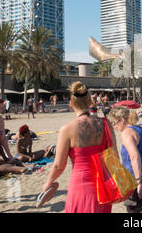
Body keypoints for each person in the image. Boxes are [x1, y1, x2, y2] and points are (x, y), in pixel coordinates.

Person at [41, 82, 116, 213]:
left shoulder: (67, 129)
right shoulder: (105, 124)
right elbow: (114, 156)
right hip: (102, 187)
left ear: (71, 103)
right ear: (89, 101)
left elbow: (59, 166)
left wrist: (48, 182)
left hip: (80, 186)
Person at [108, 107, 142, 213]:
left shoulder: (126, 132)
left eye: (114, 123)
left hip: (136, 178)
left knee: (133, 211)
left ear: (122, 120)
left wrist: (138, 182)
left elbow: (135, 156)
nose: (114, 126)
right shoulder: (141, 129)